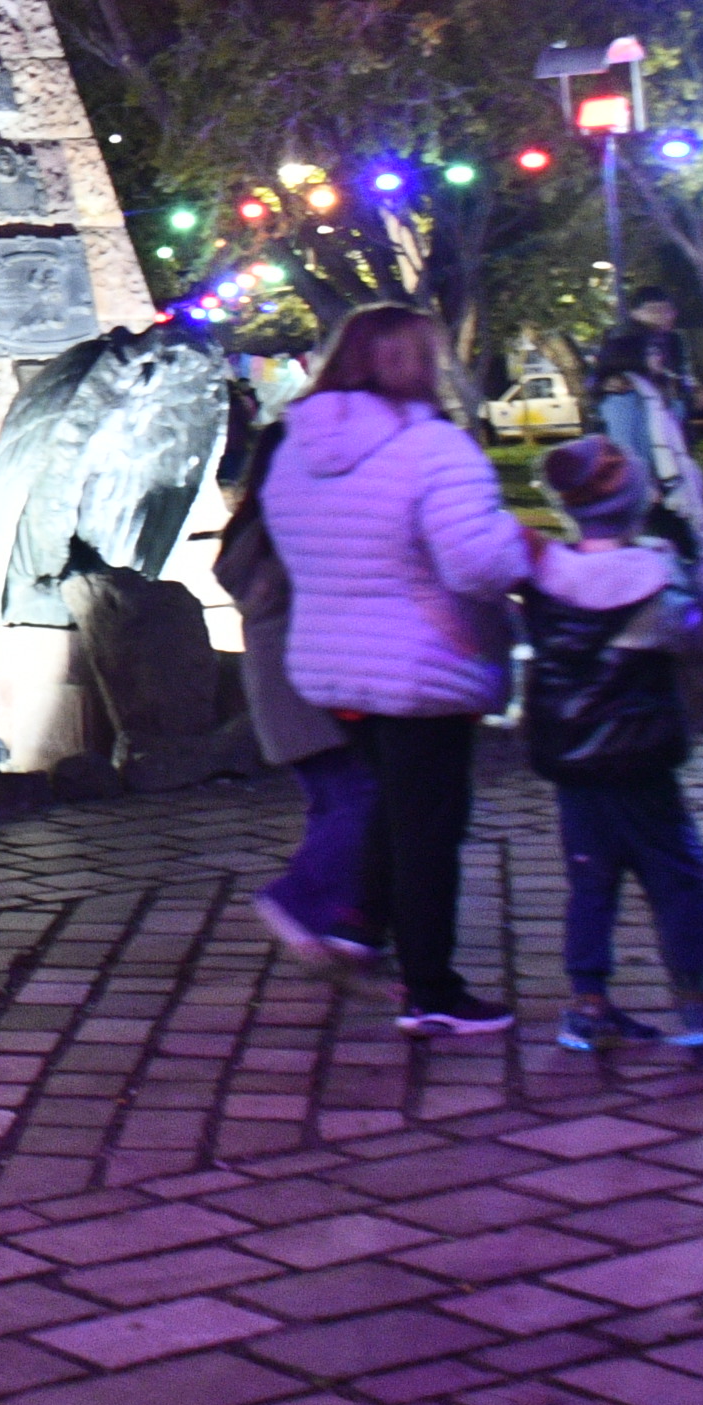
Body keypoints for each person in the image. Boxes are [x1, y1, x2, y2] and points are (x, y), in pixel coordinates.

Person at [264, 304, 526, 1036]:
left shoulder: (296, 447)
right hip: (424, 660)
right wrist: (533, 556)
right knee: (430, 830)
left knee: (390, 805)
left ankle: (360, 926)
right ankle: (433, 991)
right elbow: (477, 559)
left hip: (334, 658)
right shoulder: (433, 447)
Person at [523, 439, 703, 1051]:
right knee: (677, 875)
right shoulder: (653, 580)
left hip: (572, 759)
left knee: (590, 880)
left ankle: (588, 1004)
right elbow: (696, 636)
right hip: (639, 757)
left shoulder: (546, 576)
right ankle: (697, 999)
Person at [214, 413, 370, 974]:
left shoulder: (256, 529)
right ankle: (298, 900)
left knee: (332, 803)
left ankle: (339, 915)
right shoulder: (287, 534)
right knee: (361, 802)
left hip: (287, 696)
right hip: (308, 692)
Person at [587, 288, 703, 523]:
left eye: (667, 310)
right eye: (654, 310)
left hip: (667, 422)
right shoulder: (621, 337)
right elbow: (602, 375)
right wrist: (638, 368)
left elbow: (681, 378)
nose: (662, 315)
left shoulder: (674, 341)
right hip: (637, 421)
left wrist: (693, 393)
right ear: (635, 313)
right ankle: (640, 491)